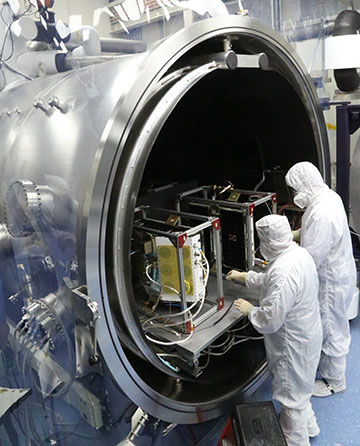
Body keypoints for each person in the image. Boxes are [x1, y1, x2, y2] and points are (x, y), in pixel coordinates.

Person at [226, 214, 322, 446]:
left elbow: (270, 319)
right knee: (302, 390)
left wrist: (251, 311)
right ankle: (310, 425)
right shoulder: (297, 253)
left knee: (291, 399)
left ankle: (295, 440)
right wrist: (245, 277)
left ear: (267, 241)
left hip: (293, 345)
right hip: (308, 333)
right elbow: (271, 279)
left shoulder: (283, 271)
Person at [285, 161, 356, 397]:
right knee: (332, 324)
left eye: (294, 190)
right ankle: (329, 369)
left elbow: (311, 257)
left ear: (304, 186)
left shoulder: (320, 212)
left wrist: (284, 257)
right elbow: (321, 236)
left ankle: (335, 381)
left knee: (331, 329)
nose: (294, 195)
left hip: (330, 282)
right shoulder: (327, 196)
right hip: (339, 272)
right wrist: (299, 234)